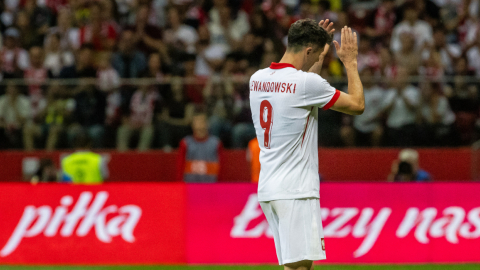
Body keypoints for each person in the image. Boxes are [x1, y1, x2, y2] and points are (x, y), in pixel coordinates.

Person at [249, 19, 364, 270]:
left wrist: (320, 57)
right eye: (316, 54)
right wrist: (351, 62)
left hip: (269, 188)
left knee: (296, 265)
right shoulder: (304, 85)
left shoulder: (257, 79)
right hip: (296, 190)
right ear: (309, 50)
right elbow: (356, 105)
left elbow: (300, 90)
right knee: (301, 267)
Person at [176, 113, 223, 183]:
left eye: (202, 122)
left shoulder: (216, 143)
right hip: (189, 186)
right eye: (197, 122)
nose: (200, 126)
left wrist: (219, 185)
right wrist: (179, 183)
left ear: (207, 124)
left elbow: (221, 166)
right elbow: (180, 166)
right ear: (192, 126)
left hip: (211, 186)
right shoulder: (185, 143)